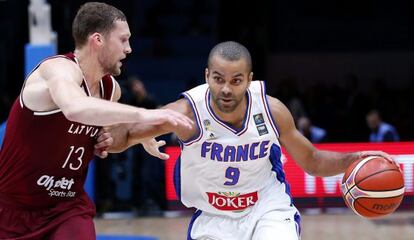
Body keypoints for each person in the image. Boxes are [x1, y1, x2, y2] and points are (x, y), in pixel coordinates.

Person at [105, 41, 398, 240]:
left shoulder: (272, 110)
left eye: (236, 80)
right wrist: (113, 117)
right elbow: (122, 138)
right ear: (207, 76)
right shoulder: (185, 112)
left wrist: (352, 159)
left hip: (266, 208)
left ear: (249, 78)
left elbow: (312, 161)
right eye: (218, 79)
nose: (226, 89)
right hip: (213, 216)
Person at [0, 2, 192, 240]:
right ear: (98, 40)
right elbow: (74, 107)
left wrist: (138, 135)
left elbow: (114, 139)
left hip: (66, 207)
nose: (129, 48)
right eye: (123, 40)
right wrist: (144, 113)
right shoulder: (57, 69)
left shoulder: (110, 90)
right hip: (13, 209)